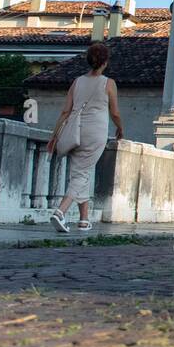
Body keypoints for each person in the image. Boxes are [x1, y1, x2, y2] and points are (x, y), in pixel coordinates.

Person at [47, 42, 124, 233]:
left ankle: (84, 219)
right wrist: (120, 128)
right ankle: (60, 211)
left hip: (75, 130)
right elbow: (114, 112)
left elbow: (65, 111)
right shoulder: (108, 83)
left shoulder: (77, 81)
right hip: (95, 132)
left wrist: (54, 135)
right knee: (82, 174)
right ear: (105, 62)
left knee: (80, 173)